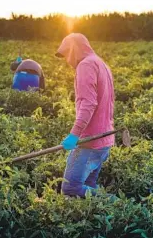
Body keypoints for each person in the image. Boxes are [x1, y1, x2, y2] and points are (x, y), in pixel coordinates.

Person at [55, 33, 115, 198]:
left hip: (90, 141)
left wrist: (74, 135)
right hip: (104, 141)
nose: (67, 60)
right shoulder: (101, 63)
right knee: (88, 187)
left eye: (67, 53)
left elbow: (88, 104)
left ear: (74, 49)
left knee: (71, 188)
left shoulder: (86, 65)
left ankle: (121, 205)